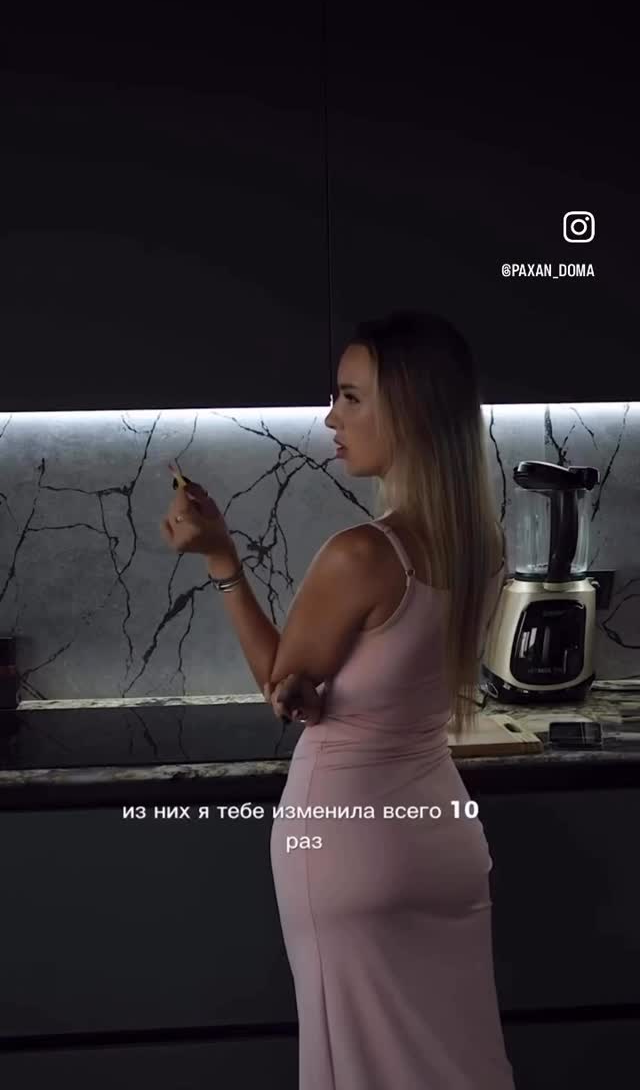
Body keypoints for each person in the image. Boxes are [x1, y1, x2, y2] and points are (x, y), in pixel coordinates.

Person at [268, 310, 515, 1089]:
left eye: (349, 397)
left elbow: (281, 684)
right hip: (443, 841)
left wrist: (221, 565)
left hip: (346, 847)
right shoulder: (483, 544)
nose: (330, 419)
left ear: (408, 411)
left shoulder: (362, 554)